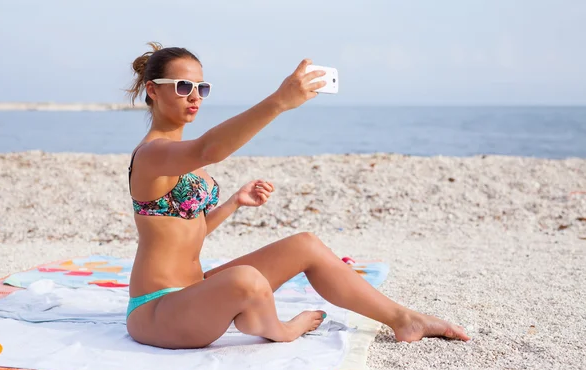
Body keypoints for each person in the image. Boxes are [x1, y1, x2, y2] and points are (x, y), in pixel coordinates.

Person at [125, 42, 470, 349]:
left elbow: (186, 233)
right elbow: (210, 148)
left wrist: (233, 203)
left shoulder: (180, 156)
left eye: (202, 87)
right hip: (158, 309)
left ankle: (402, 319)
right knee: (246, 279)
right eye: (183, 86)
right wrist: (278, 102)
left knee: (304, 244)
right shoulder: (152, 154)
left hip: (195, 292)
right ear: (153, 91)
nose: (195, 95)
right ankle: (278, 328)